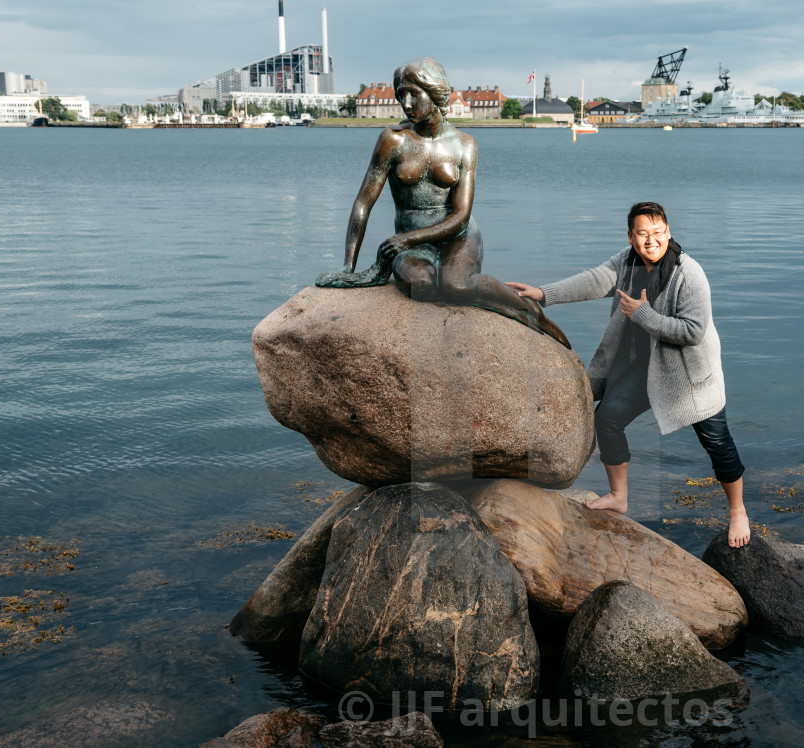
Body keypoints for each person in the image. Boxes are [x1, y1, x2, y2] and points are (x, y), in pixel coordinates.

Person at [506, 202, 750, 548]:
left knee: (717, 444)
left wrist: (644, 315)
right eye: (643, 234)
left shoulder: (688, 273)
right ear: (631, 237)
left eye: (658, 233)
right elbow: (594, 280)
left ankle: (738, 511)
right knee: (606, 418)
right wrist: (544, 294)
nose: (651, 241)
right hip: (647, 367)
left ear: (668, 232)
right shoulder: (627, 262)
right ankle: (619, 496)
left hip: (690, 378)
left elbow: (694, 331)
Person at [315, 57, 568, 348]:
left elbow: (461, 215)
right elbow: (363, 202)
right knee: (421, 286)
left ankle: (531, 311)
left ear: (434, 93)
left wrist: (406, 239)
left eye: (413, 94)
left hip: (457, 236)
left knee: (456, 285)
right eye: (401, 95)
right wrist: (349, 265)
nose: (406, 103)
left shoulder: (464, 144)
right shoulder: (393, 140)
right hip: (412, 242)